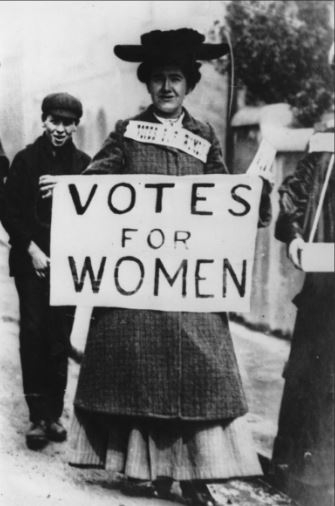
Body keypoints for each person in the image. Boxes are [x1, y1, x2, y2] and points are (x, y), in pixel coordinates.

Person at [69, 29, 271, 506]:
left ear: (189, 85)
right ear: (148, 84)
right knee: (143, 377)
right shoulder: (127, 133)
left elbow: (225, 200)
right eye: (158, 78)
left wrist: (253, 199)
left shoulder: (203, 139)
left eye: (176, 78)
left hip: (189, 290)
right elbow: (95, 185)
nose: (167, 87)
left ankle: (196, 476)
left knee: (201, 377)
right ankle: (154, 472)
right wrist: (72, 191)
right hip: (141, 289)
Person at [2, 92, 91, 450]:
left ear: (75, 126)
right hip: (31, 262)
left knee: (60, 337)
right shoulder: (25, 161)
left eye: (67, 123)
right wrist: (31, 248)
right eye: (54, 121)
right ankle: (37, 416)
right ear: (44, 121)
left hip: (67, 266)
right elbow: (8, 211)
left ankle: (54, 414)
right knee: (34, 334)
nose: (60, 129)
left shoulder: (85, 165)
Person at [271, 44, 334, 506]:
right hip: (324, 288)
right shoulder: (325, 140)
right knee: (312, 382)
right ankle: (304, 481)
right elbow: (293, 194)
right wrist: (293, 233)